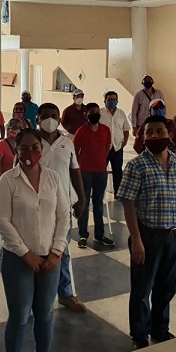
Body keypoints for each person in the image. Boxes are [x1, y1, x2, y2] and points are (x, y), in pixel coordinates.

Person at [0, 129, 69, 352]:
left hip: (50, 259)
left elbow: (64, 215)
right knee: (19, 316)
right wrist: (25, 253)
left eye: (35, 147)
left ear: (41, 149)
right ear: (16, 150)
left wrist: (57, 251)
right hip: (18, 260)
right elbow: (0, 220)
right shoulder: (8, 180)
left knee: (45, 314)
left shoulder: (52, 178)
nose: (30, 153)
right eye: (24, 148)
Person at [117, 115, 176, 349]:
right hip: (147, 236)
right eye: (149, 132)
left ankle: (160, 330)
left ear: (169, 135)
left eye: (159, 131)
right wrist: (137, 240)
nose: (154, 136)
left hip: (173, 235)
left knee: (167, 286)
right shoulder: (136, 165)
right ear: (142, 137)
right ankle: (140, 335)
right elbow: (128, 203)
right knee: (142, 289)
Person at [37, 103, 87, 313]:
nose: (49, 119)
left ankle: (65, 294)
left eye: (53, 115)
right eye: (45, 116)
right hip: (37, 207)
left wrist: (81, 198)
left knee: (62, 250)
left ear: (59, 119)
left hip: (63, 206)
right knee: (36, 249)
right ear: (38, 119)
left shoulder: (67, 142)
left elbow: (75, 171)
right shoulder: (32, 142)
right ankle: (36, 295)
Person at [73, 103, 115, 248]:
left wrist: (101, 160)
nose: (96, 114)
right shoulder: (81, 131)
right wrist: (80, 165)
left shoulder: (105, 130)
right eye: (92, 112)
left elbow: (107, 147)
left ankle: (99, 234)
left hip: (101, 172)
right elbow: (75, 150)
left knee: (98, 204)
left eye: (97, 112)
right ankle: (83, 235)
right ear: (86, 115)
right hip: (85, 172)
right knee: (83, 203)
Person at [99, 90, 131, 194]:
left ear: (117, 101)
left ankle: (118, 194)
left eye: (114, 100)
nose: (112, 102)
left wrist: (124, 143)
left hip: (117, 147)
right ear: (104, 101)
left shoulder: (121, 113)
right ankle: (100, 193)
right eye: (109, 100)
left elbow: (126, 129)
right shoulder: (100, 113)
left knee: (118, 172)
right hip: (103, 148)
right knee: (101, 172)